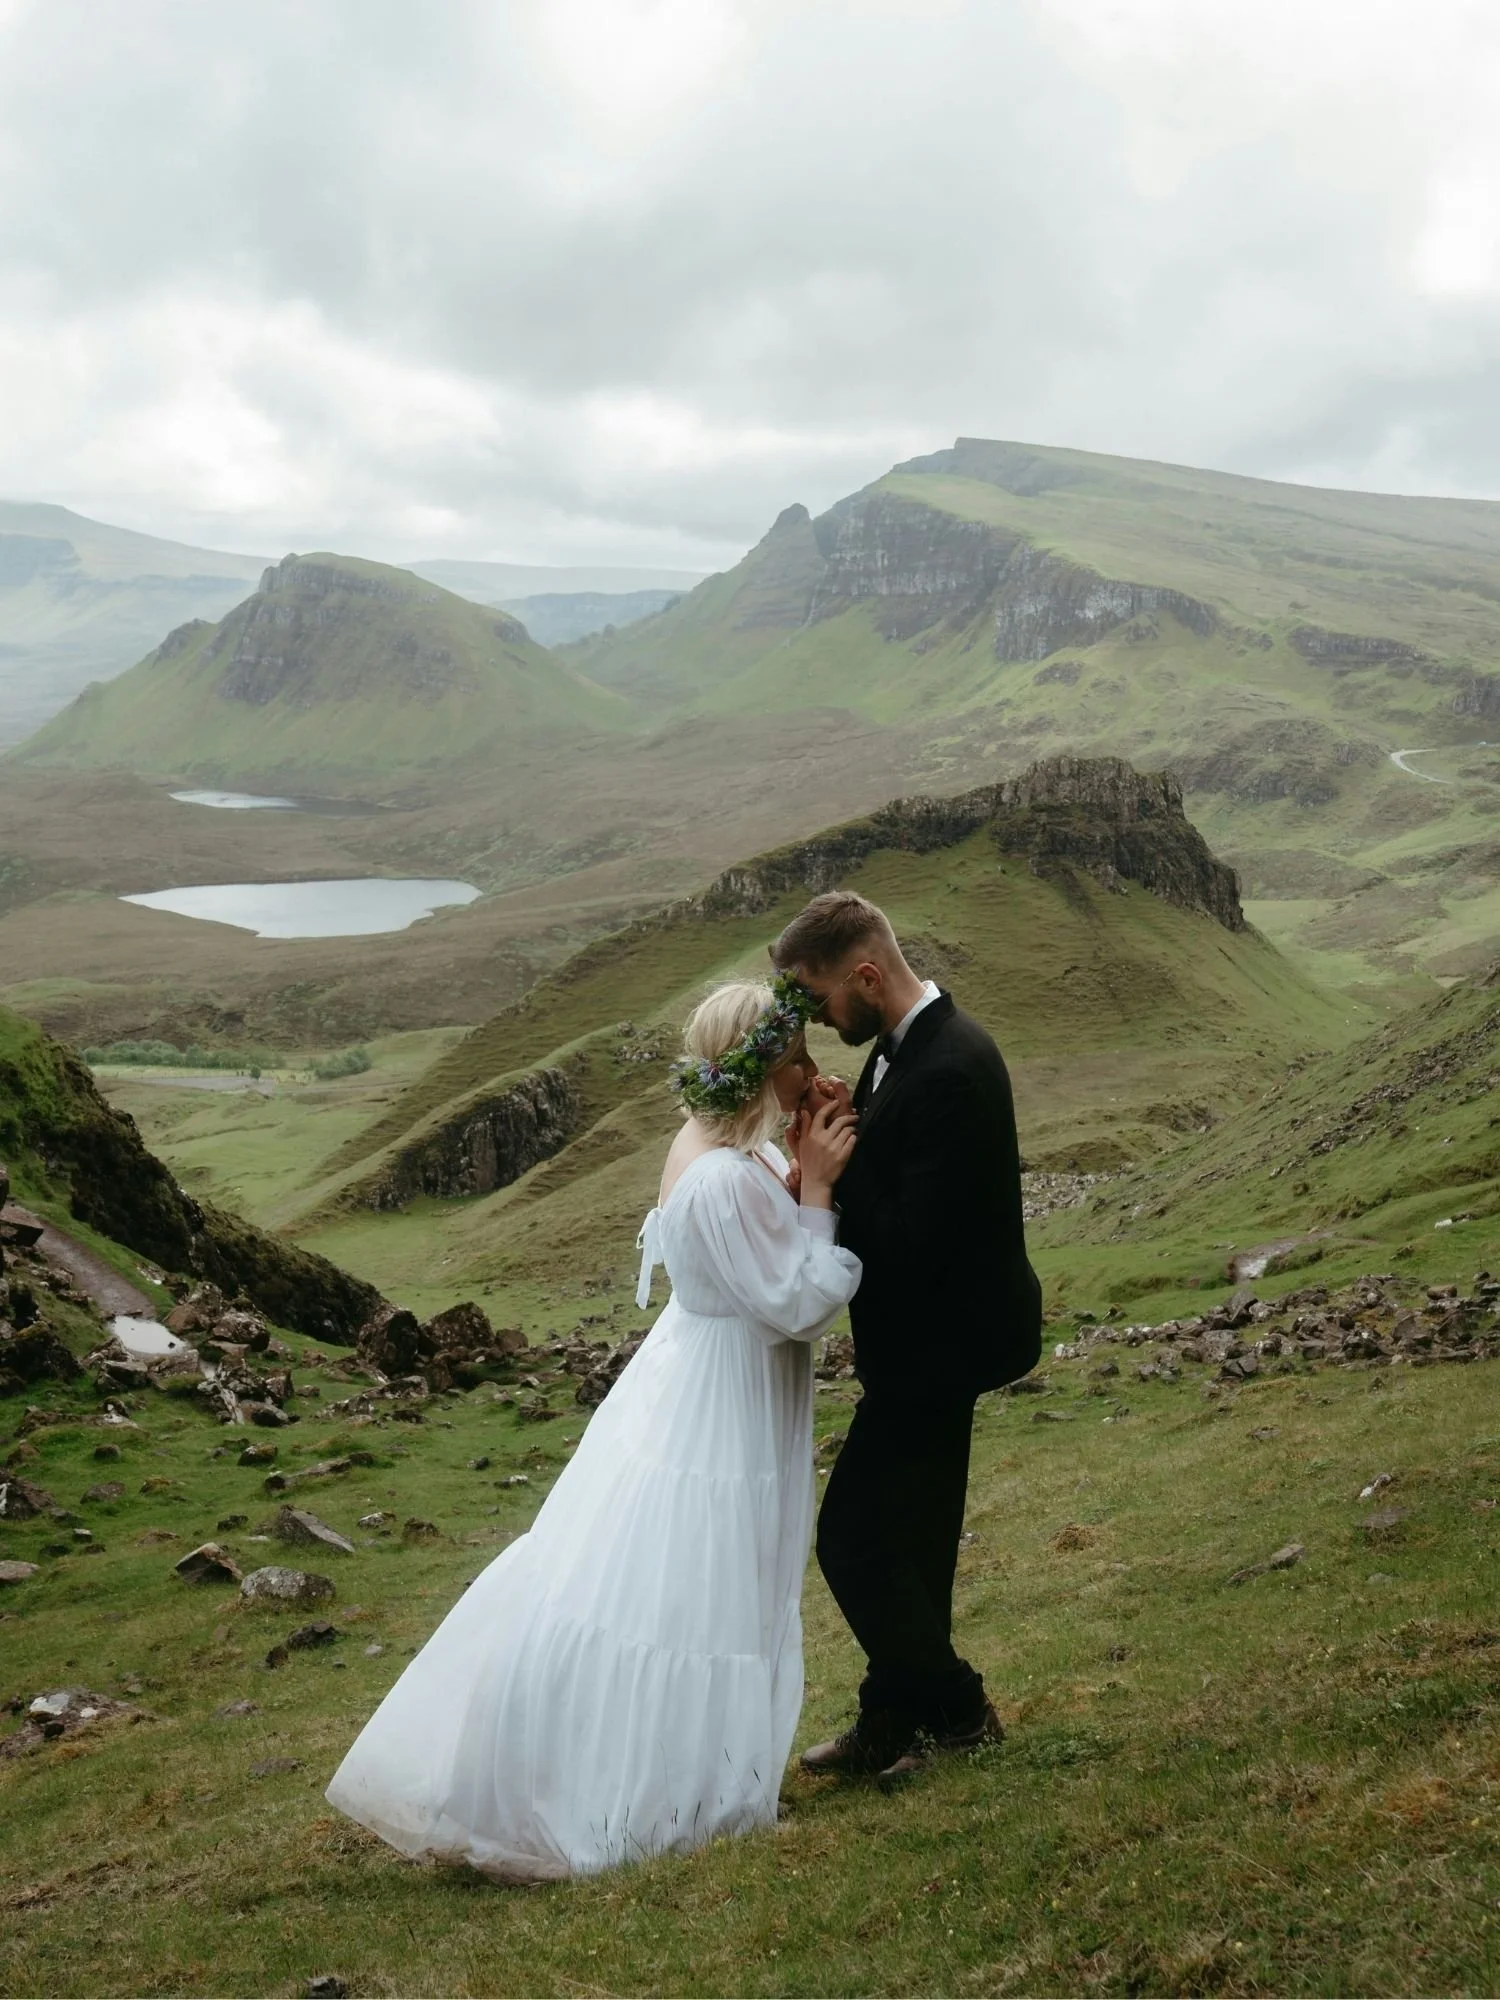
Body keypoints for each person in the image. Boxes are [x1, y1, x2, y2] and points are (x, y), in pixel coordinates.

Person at [325, 976, 860, 1881]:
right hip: (724, 1398)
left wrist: (803, 1160)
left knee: (673, 1578)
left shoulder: (712, 1148)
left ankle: (688, 1770)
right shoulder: (724, 1179)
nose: (811, 1072)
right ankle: (664, 1793)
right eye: (795, 1060)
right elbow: (797, 1305)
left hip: (694, 1376)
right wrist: (819, 1195)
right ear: (757, 1070)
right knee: (704, 1582)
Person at [770, 891, 1042, 1788]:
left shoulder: (953, 1067)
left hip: (941, 1350)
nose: (814, 1019)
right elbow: (909, 1169)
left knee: (853, 1542)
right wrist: (855, 1123)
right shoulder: (902, 1052)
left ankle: (959, 1710)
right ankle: (891, 1719)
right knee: (916, 1545)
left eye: (817, 1000)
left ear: (867, 976)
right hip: (920, 1350)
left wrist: (827, 1184)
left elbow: (918, 1243)